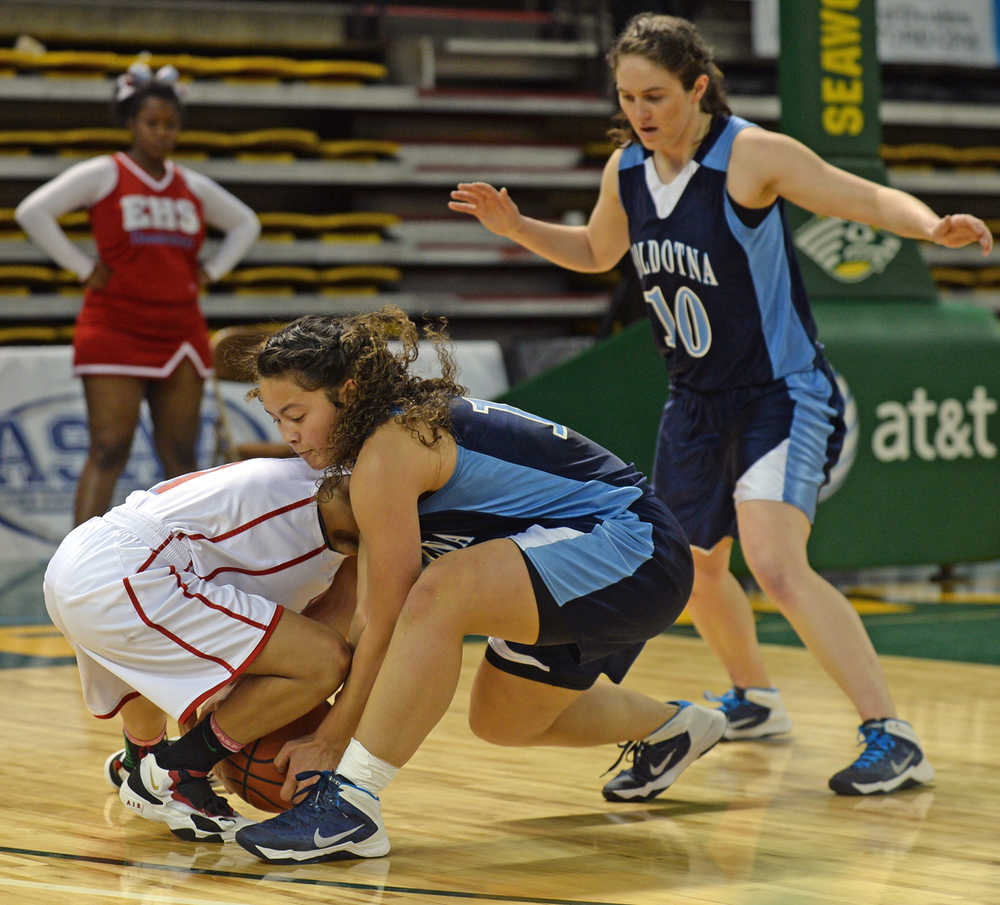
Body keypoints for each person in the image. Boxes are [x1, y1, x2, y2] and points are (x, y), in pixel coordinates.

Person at [448, 13, 993, 796]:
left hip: (781, 392)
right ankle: (756, 697)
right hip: (694, 401)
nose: (641, 111)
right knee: (692, 567)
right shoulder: (626, 171)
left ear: (699, 86)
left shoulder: (751, 155)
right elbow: (600, 253)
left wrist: (929, 226)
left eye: (657, 95)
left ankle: (892, 733)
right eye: (629, 96)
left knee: (773, 560)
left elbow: (858, 196)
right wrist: (518, 226)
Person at [232, 306, 726, 863]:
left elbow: (391, 614)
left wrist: (333, 738)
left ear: (347, 391)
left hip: (632, 549)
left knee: (441, 591)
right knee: (503, 720)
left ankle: (351, 805)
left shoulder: (391, 446)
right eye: (277, 420)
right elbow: (362, 612)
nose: (290, 435)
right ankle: (676, 727)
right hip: (574, 562)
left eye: (297, 414)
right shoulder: (379, 446)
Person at [43, 455, 353, 843]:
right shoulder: (362, 500)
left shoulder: (306, 476)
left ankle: (141, 759)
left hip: (84, 557)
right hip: (131, 574)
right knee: (324, 659)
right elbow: (348, 642)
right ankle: (176, 775)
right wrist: (325, 738)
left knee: (149, 655)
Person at [16, 60, 261, 526]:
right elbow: (33, 212)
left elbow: (246, 223)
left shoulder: (191, 183)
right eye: (152, 123)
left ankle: (192, 562)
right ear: (130, 122)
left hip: (180, 328)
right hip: (114, 326)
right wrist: (81, 266)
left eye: (171, 125)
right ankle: (77, 571)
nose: (162, 133)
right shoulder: (104, 173)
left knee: (181, 456)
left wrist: (213, 269)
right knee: (109, 449)